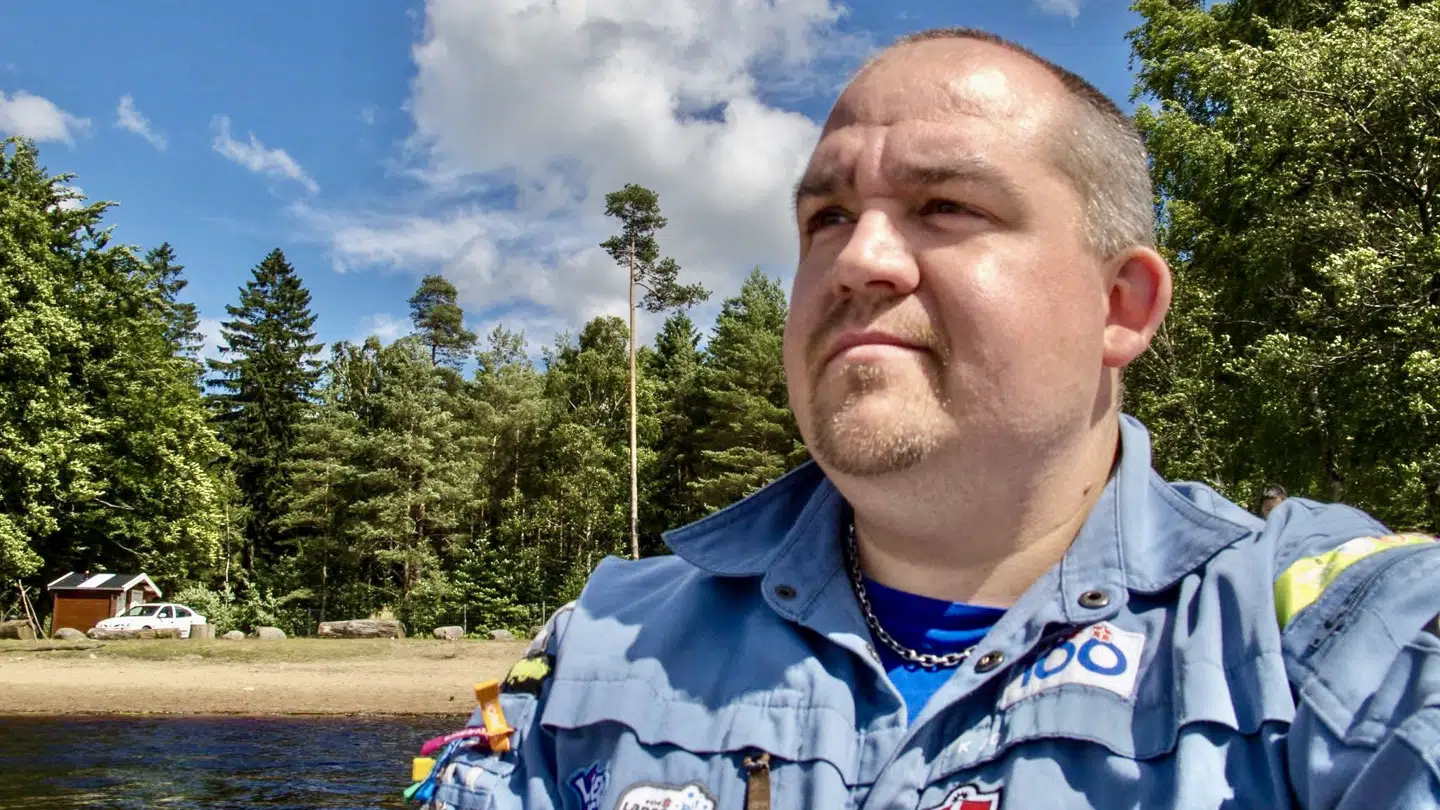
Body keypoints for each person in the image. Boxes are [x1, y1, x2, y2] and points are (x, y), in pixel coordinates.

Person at [416, 28, 1440, 810]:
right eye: (825, 219)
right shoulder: (597, 652)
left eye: (946, 207)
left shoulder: (1327, 643)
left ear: (1121, 306)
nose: (858, 259)